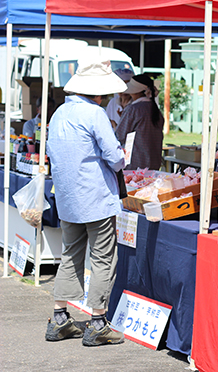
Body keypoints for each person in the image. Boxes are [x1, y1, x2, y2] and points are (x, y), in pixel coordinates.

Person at [45, 58, 127, 346]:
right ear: (99, 92)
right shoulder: (95, 114)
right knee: (103, 257)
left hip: (68, 197)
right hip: (95, 197)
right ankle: (97, 321)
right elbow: (115, 158)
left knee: (69, 254)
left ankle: (59, 318)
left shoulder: (59, 113)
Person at [115, 74, 164, 170]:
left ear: (135, 91)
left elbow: (120, 135)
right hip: (154, 162)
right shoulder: (155, 109)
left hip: (136, 162)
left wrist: (114, 124)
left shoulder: (133, 109)